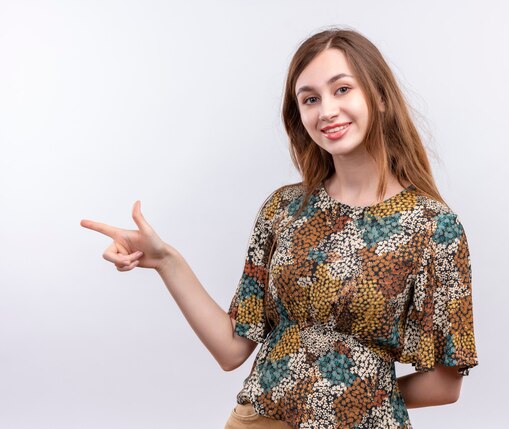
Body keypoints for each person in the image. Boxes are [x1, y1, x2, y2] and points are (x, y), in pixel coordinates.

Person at [81, 27, 478, 429]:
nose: (326, 111)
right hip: (259, 420)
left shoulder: (434, 228)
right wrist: (166, 260)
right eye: (310, 99)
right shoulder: (284, 209)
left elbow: (445, 386)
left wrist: (350, 397)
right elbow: (232, 350)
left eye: (342, 90)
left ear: (379, 97)